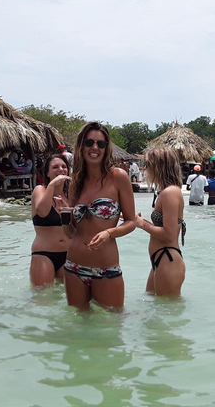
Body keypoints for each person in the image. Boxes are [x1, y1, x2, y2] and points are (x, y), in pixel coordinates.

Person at [60, 122, 135, 311]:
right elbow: (71, 233)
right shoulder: (76, 181)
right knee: (78, 331)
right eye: (89, 143)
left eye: (100, 144)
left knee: (111, 329)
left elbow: (132, 222)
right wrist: (64, 218)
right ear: (81, 146)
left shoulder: (118, 177)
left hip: (106, 270)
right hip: (73, 267)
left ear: (106, 148)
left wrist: (109, 233)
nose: (95, 148)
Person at [135, 148, 186, 296]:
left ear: (158, 167)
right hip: (161, 259)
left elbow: (168, 234)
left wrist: (141, 224)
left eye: (148, 165)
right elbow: (164, 227)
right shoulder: (167, 191)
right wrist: (139, 220)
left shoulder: (170, 193)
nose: (146, 169)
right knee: (155, 309)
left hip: (168, 259)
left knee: (168, 313)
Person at [30, 154, 71, 287]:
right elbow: (42, 212)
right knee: (43, 299)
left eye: (64, 166)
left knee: (66, 301)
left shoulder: (71, 195)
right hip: (44, 254)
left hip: (68, 254)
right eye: (55, 167)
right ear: (47, 173)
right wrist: (52, 185)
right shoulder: (40, 190)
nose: (60, 169)